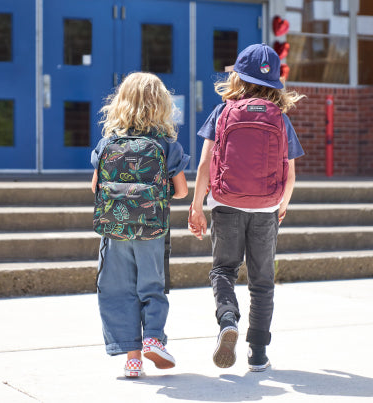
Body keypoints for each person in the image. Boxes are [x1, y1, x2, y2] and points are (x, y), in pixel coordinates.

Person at [187, 43, 305, 371]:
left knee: (224, 269)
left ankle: (227, 322)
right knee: (262, 280)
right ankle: (258, 354)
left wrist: (197, 206)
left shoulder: (224, 111)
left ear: (238, 77)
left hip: (225, 203)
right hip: (266, 206)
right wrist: (282, 203)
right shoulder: (279, 118)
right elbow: (291, 172)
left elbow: (205, 165)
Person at [91, 72, 190, 378]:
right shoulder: (165, 143)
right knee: (152, 285)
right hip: (152, 228)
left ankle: (132, 358)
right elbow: (183, 189)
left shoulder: (108, 142)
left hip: (115, 229)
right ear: (160, 104)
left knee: (117, 287)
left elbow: (95, 186)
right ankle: (153, 338)